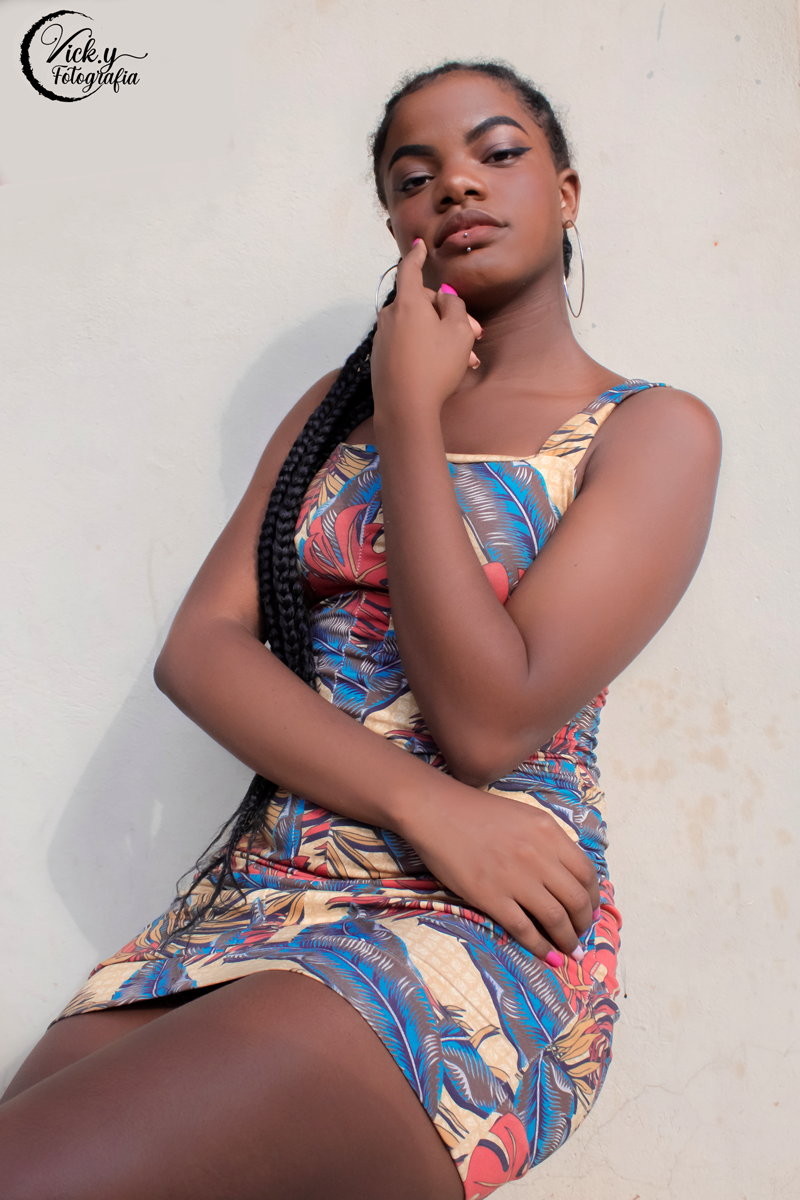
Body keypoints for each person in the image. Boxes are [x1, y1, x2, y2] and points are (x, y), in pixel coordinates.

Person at [0, 60, 721, 1200]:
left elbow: (486, 720)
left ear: (567, 193)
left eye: (497, 153)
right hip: (253, 898)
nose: (456, 186)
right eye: (413, 176)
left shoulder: (650, 431)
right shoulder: (335, 409)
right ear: (394, 226)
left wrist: (410, 416)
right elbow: (200, 649)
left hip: (472, 919)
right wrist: (423, 803)